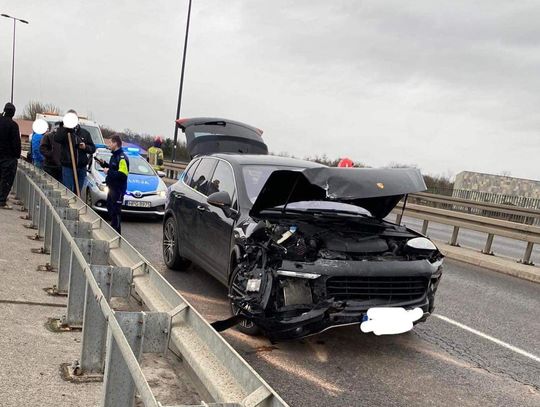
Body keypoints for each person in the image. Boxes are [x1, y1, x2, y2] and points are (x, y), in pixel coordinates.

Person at [54, 110, 96, 194]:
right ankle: (68, 205)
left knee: (78, 191)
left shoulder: (85, 133)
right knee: (68, 190)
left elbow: (92, 148)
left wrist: (85, 147)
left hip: (81, 167)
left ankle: (77, 205)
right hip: (68, 166)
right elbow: (57, 139)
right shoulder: (63, 132)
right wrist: (64, 128)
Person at [95, 134, 129, 234]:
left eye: (110, 142)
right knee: (110, 209)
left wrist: (108, 172)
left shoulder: (122, 157)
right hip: (112, 188)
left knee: (116, 212)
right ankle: (113, 230)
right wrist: (103, 164)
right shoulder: (114, 156)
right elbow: (113, 168)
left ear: (115, 143)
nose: (109, 145)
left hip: (118, 189)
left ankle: (117, 234)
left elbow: (122, 174)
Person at [0, 103, 21, 209]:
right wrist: (17, 155)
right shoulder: (13, 125)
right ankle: (2, 200)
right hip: (8, 157)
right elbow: (16, 142)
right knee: (6, 179)